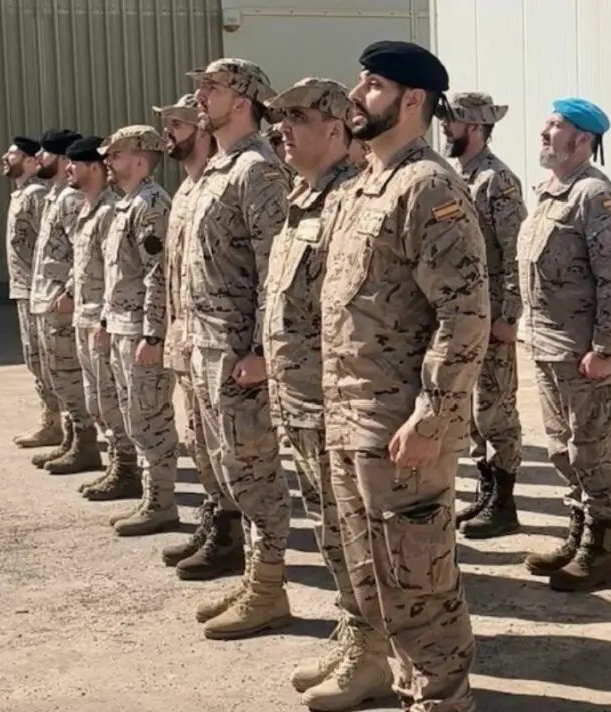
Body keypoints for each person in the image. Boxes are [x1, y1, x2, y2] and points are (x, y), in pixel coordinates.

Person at [315, 40, 489, 712]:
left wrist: (434, 415)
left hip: (400, 424)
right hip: (349, 414)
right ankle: (395, 679)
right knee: (370, 571)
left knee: (419, 579)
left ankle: (443, 699)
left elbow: (466, 313)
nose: (357, 94)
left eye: (375, 83)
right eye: (361, 80)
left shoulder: (430, 187)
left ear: (412, 100)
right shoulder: (364, 183)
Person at [259, 77, 366, 708]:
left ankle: (373, 646)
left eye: (299, 119)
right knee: (328, 530)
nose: (285, 130)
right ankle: (353, 627)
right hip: (297, 397)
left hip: (339, 401)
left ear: (336, 129)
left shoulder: (351, 201)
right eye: (282, 119)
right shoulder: (302, 198)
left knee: (355, 532)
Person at [185, 57, 293, 640]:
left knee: (254, 472)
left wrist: (259, 350)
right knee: (226, 470)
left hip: (236, 352)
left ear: (245, 98)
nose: (200, 96)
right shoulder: (213, 171)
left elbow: (275, 270)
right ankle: (255, 574)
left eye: (213, 87)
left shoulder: (258, 171)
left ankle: (270, 588)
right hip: (202, 347)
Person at [519, 97, 611, 592]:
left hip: (582, 351)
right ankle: (577, 530)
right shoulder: (549, 192)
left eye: (557, 126)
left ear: (582, 140)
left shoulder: (594, 196)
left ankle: (599, 550)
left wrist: (606, 346)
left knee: (594, 450)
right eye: (547, 123)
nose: (545, 132)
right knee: (562, 450)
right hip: (546, 344)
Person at [151, 94, 245, 580]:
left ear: (201, 133)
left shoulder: (237, 180)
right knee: (201, 443)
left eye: (178, 124)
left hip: (226, 341)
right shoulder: (189, 189)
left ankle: (238, 541)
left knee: (236, 451)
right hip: (189, 337)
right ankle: (217, 519)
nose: (169, 133)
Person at [439, 91, 527, 540]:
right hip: (463, 316)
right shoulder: (456, 176)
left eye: (452, 123)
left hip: (492, 317)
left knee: (497, 410)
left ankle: (505, 503)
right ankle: (486, 492)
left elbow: (516, 253)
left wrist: (510, 313)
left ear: (475, 128)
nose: (443, 128)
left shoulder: (498, 181)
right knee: (473, 412)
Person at [96, 125, 181, 537]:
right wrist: (108, 321)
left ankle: (162, 503)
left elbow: (157, 273)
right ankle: (151, 498)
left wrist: (153, 335)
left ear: (141, 159)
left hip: (142, 331)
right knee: (135, 416)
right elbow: (120, 274)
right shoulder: (124, 206)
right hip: (123, 326)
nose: (108, 162)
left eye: (115, 155)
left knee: (151, 418)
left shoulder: (151, 205)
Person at [63, 136, 142, 502]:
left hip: (105, 319)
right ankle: (117, 464)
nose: (68, 170)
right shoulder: (86, 208)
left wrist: (107, 319)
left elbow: (120, 269)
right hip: (87, 315)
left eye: (74, 164)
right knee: (98, 400)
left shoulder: (111, 209)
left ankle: (128, 470)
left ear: (92, 168)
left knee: (114, 399)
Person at [29, 127, 104, 475]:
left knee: (71, 375)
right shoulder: (56, 195)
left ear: (61, 159)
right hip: (49, 298)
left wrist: (70, 291)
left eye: (45, 152)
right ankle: (72, 439)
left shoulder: (72, 200)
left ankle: (85, 444)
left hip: (63, 301)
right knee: (58, 375)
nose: (38, 158)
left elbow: (83, 251)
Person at [3, 135, 61, 449]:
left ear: (28, 161)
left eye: (11, 154)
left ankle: (58, 424)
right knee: (34, 359)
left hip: (37, 290)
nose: (4, 157)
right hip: (23, 288)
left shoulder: (37, 195)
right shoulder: (20, 195)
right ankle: (52, 421)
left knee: (46, 360)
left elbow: (52, 243)